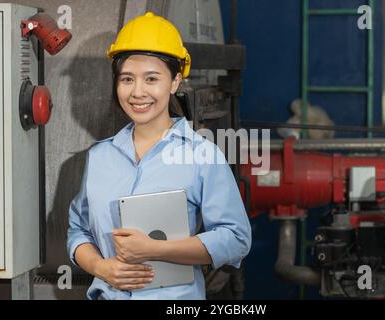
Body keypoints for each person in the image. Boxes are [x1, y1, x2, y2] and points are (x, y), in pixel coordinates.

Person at [66, 12, 252, 300]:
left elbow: (236, 239)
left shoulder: (202, 154)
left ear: (175, 82)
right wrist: (102, 268)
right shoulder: (100, 156)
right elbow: (77, 231)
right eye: (127, 79)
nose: (137, 92)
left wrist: (157, 249)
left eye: (151, 78)